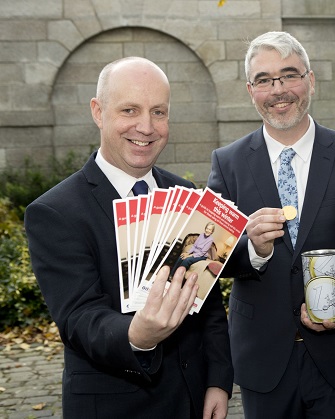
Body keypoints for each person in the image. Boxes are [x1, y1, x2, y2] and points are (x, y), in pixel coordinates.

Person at [25, 57, 233, 419]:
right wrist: (138, 335)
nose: (146, 127)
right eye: (129, 110)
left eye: (159, 112)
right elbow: (79, 318)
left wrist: (217, 379)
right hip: (115, 406)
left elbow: (207, 299)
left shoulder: (182, 191)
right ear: (98, 111)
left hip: (193, 399)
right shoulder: (55, 212)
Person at [207, 31, 335, 418]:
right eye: (264, 80)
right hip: (263, 361)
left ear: (310, 79)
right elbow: (209, 255)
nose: (278, 90)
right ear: (250, 90)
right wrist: (252, 250)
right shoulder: (228, 164)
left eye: (289, 75)